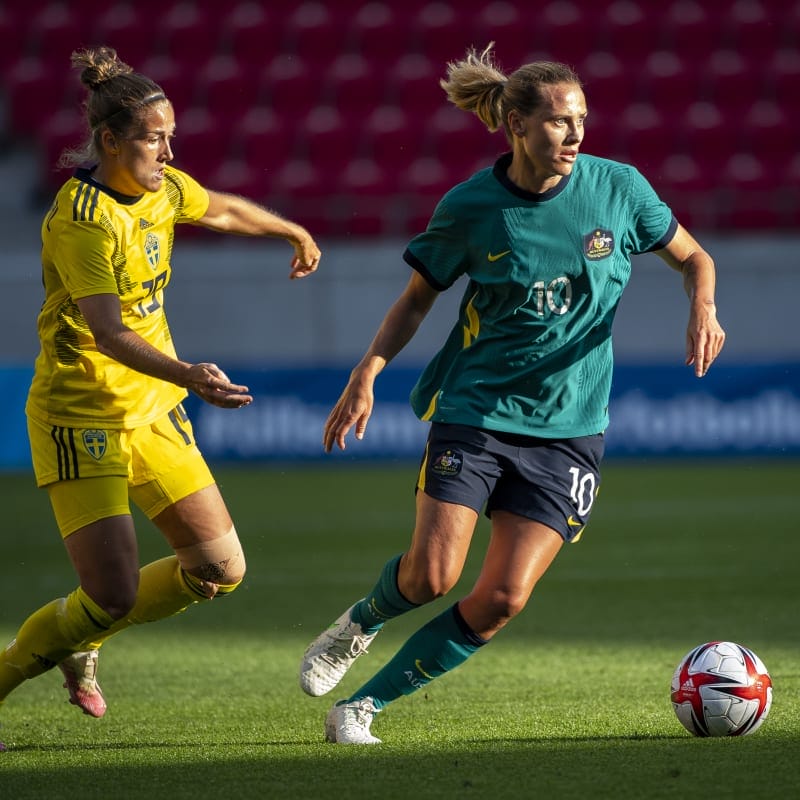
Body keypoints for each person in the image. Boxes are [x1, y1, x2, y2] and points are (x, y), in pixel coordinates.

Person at [299, 43, 725, 745]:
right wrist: (368, 369)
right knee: (433, 576)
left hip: (571, 428)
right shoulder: (471, 207)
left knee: (501, 599)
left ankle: (360, 708)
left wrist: (703, 305)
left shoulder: (619, 189)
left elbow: (695, 257)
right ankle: (360, 623)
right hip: (478, 411)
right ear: (517, 126)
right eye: (560, 121)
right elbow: (414, 302)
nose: (577, 134)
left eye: (583, 118)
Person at [0, 46, 321, 751]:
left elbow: (224, 211)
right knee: (109, 595)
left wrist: (291, 229)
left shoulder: (164, 188)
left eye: (170, 135)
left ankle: (84, 635)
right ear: (110, 139)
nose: (168, 149)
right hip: (79, 416)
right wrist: (190, 374)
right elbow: (108, 331)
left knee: (218, 571)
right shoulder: (80, 217)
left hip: (151, 413)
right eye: (154, 137)